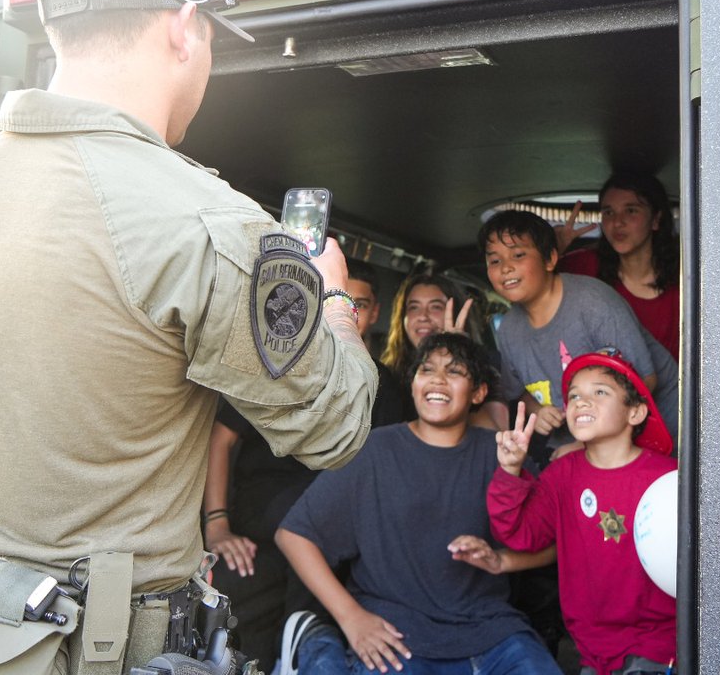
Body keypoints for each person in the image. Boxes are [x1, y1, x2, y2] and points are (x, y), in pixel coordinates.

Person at [0, 0, 375, 674]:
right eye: (211, 37)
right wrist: (336, 301)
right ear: (186, 28)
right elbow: (337, 429)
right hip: (99, 653)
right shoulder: (211, 224)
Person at [275, 334, 562, 675]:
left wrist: (501, 560)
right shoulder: (373, 451)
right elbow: (293, 535)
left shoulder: (503, 453)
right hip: (393, 637)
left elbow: (555, 544)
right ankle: (317, 643)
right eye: (427, 369)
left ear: (479, 393)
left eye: (454, 371)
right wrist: (350, 617)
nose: (438, 379)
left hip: (491, 632)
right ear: (413, 384)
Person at [203, 260, 405, 669]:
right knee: (237, 627)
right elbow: (219, 440)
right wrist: (217, 524)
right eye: (339, 298)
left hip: (332, 537)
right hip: (258, 524)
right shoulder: (282, 364)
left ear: (375, 313)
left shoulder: (389, 388)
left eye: (358, 304)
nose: (346, 311)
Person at [488, 349, 677, 675]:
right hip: (591, 649)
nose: (581, 402)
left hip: (659, 645)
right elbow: (520, 534)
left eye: (600, 392)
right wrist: (510, 470)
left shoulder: (669, 478)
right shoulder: (561, 475)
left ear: (635, 413)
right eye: (574, 395)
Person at [478, 209, 679, 459]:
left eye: (518, 255)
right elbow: (519, 393)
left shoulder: (594, 303)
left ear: (550, 259)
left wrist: (583, 448)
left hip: (657, 440)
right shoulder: (508, 330)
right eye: (495, 260)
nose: (506, 268)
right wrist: (538, 411)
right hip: (577, 445)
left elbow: (644, 381)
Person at [556, 172, 681, 360]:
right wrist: (554, 248)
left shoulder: (687, 278)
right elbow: (531, 286)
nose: (617, 222)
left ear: (655, 219)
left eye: (631, 210)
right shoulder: (583, 267)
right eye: (608, 212)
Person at [379, 273, 506, 428]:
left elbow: (496, 434)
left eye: (436, 307)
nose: (423, 316)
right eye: (413, 307)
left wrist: (458, 352)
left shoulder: (486, 365)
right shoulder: (388, 374)